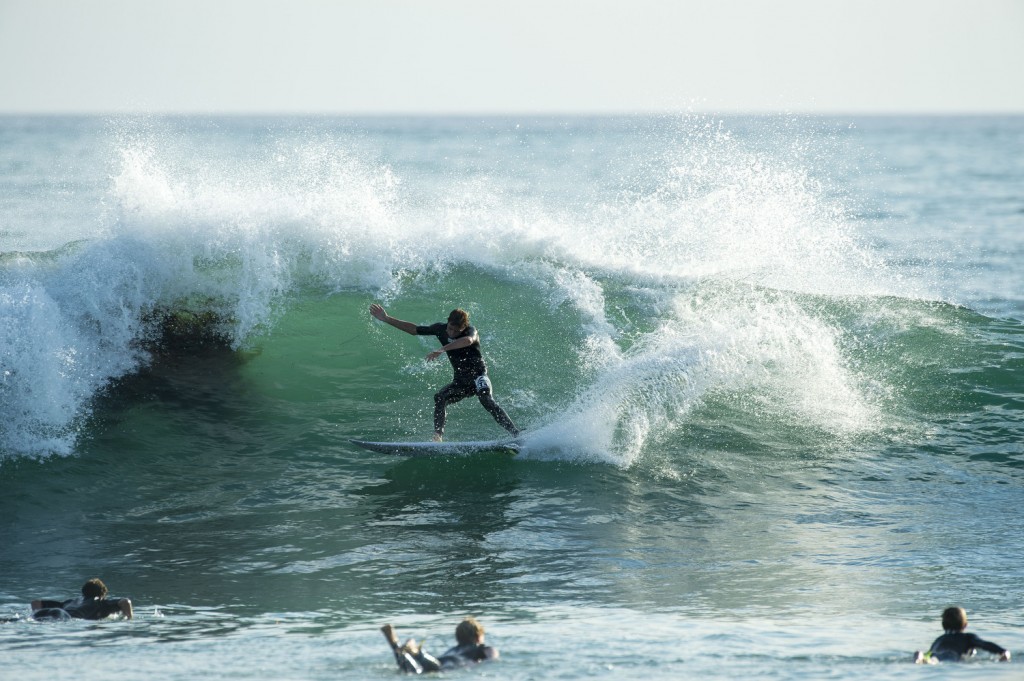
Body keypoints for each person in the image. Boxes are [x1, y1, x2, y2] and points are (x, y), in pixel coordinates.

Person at [369, 304, 520, 441]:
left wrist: (442, 349)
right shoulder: (440, 329)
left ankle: (515, 434)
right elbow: (414, 330)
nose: (452, 332)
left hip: (478, 376)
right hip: (461, 381)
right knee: (440, 398)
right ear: (447, 322)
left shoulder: (470, 331)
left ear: (464, 327)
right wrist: (386, 319)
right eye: (450, 328)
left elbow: (467, 341)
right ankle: (438, 436)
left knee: (486, 399)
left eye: (456, 330)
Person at [381, 617, 499, 674]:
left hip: (438, 660)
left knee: (415, 671)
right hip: (454, 663)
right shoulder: (484, 648)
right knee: (434, 669)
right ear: (479, 636)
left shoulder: (454, 649)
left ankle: (397, 646)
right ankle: (417, 652)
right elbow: (492, 659)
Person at [914, 606, 1010, 663]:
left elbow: (930, 653)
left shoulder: (939, 640)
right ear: (965, 625)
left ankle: (920, 657)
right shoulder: (968, 638)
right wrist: (1003, 652)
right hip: (954, 658)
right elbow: (985, 645)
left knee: (932, 659)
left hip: (938, 657)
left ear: (943, 625)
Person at [30, 578, 133, 621]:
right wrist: (129, 619)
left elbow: (35, 603)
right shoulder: (101, 602)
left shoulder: (71, 601)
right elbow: (125, 601)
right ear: (102, 595)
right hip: (64, 616)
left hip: (49, 612)